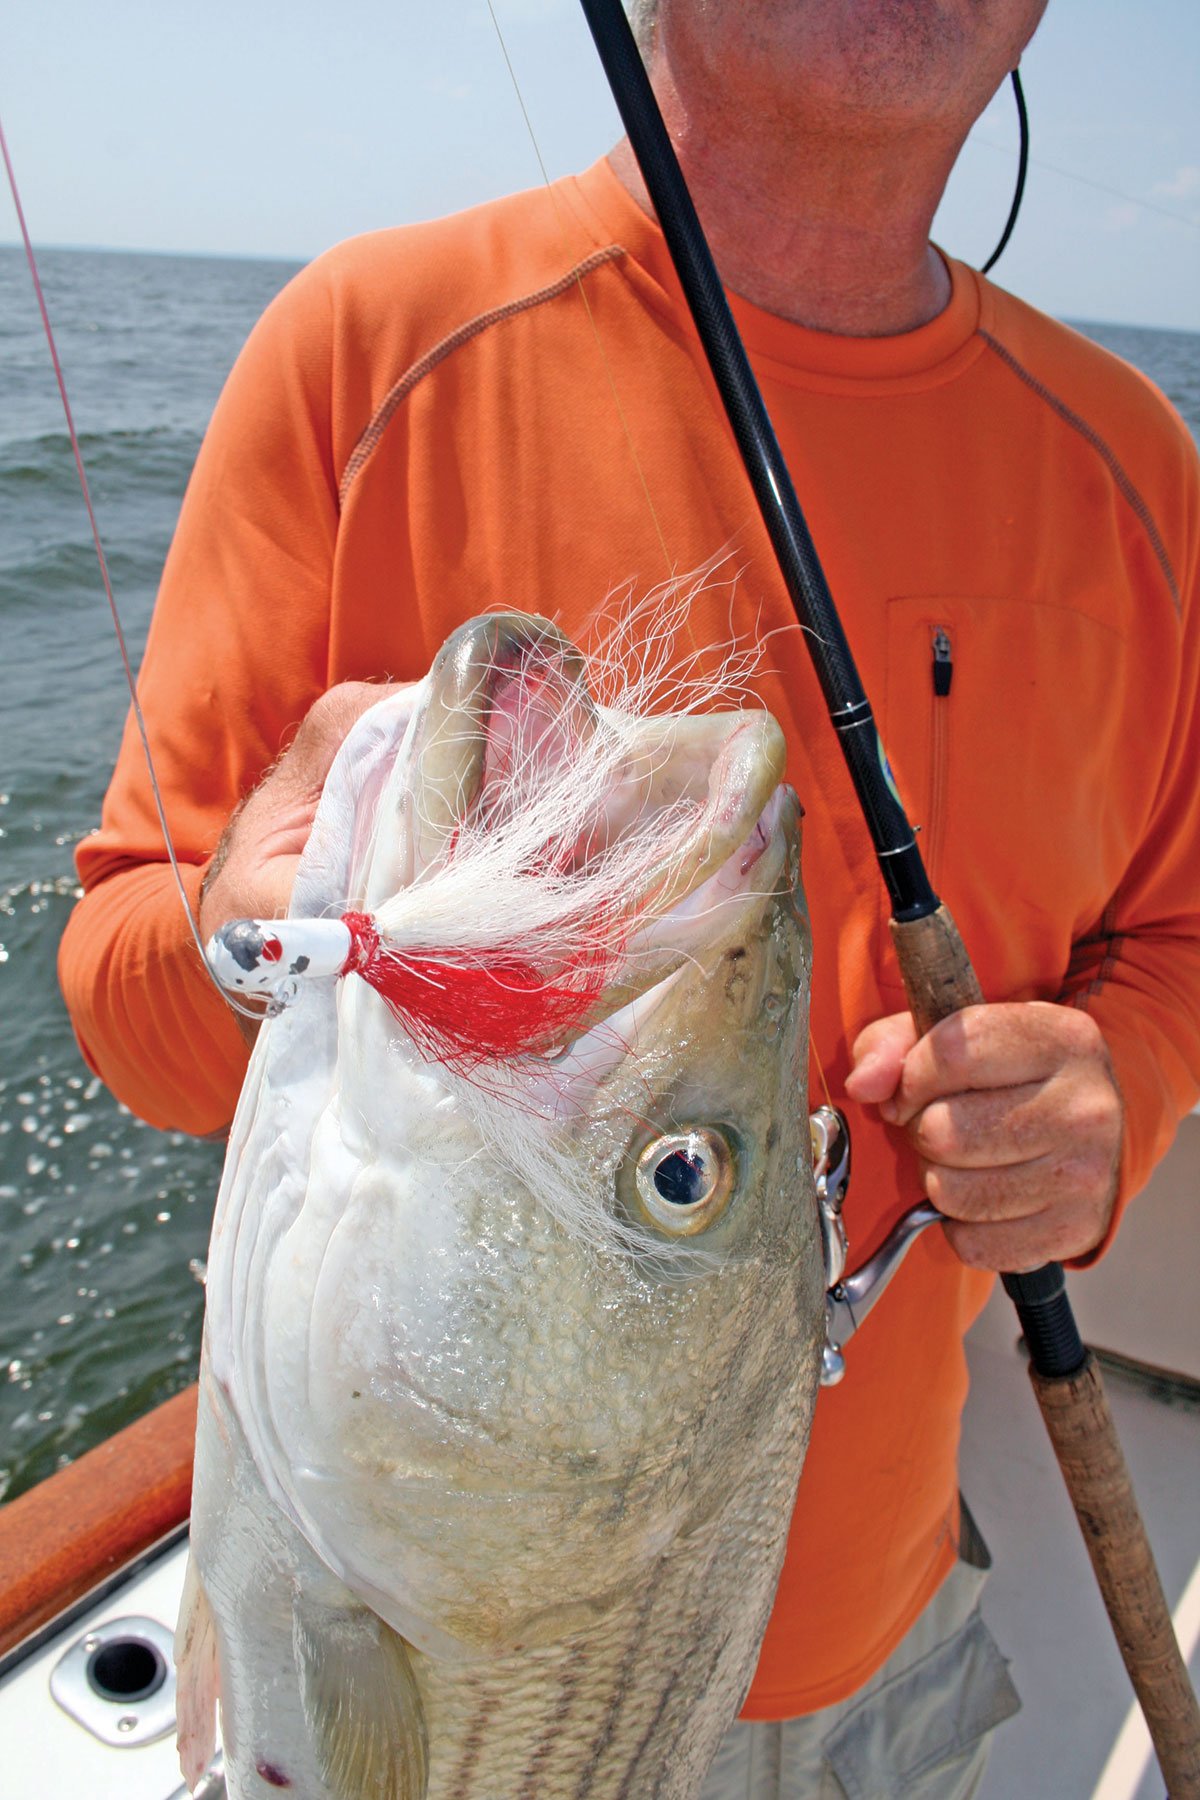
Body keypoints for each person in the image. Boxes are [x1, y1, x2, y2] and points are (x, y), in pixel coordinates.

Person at [59, 1, 1200, 1792]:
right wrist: (245, 948)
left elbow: (1183, 936)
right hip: (423, 1651)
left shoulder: (1142, 475)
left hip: (874, 1653)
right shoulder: (364, 355)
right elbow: (127, 988)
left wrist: (1110, 1096)